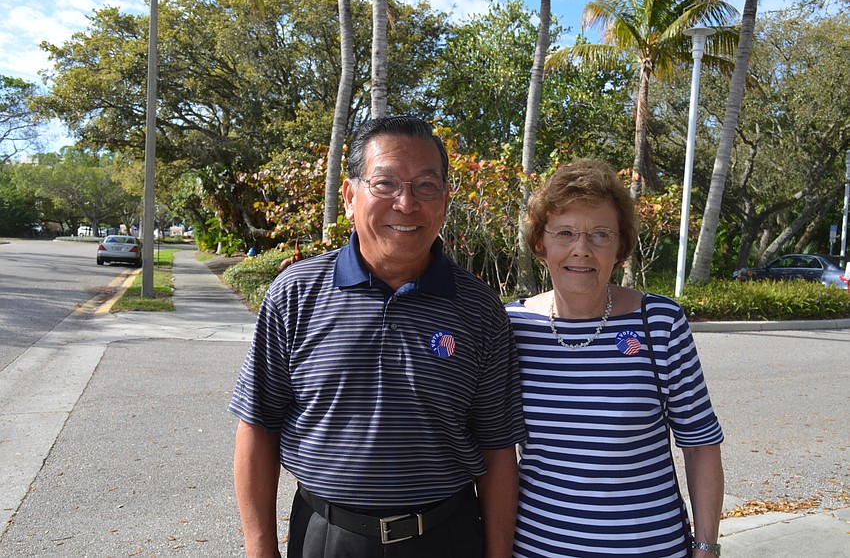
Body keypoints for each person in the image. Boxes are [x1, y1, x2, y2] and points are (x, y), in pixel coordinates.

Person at [228, 115, 526, 558]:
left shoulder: (480, 308)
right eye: (385, 183)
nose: (406, 203)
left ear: (444, 200)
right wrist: (259, 548)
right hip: (326, 537)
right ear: (349, 197)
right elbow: (257, 424)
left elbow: (497, 446)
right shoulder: (294, 294)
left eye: (426, 186)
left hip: (447, 537)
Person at [506, 159, 724, 558]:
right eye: (565, 233)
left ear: (620, 246)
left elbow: (700, 445)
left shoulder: (659, 322)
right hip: (539, 548)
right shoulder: (511, 326)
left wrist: (706, 547)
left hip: (650, 547)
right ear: (541, 243)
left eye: (600, 235)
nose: (581, 250)